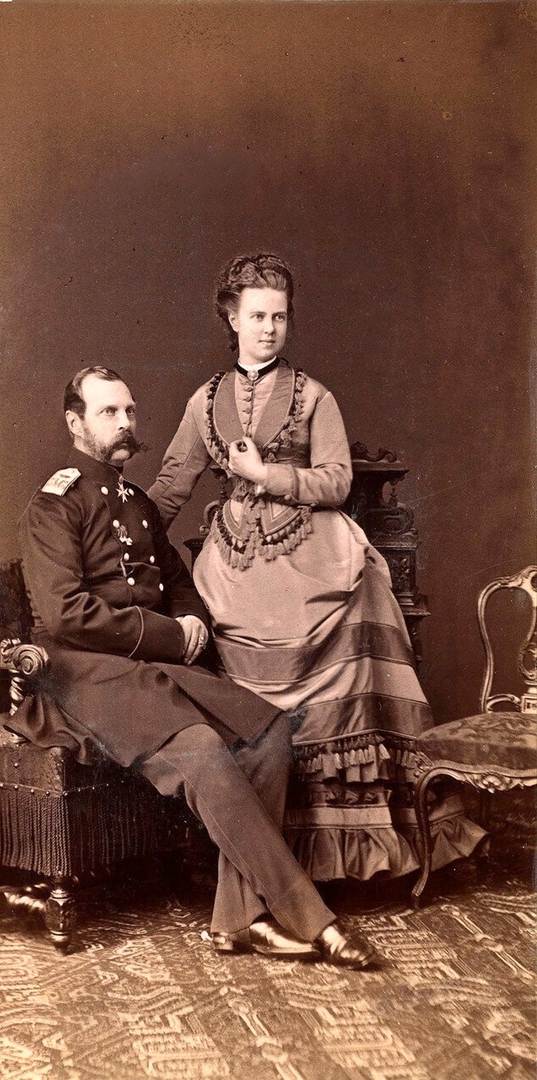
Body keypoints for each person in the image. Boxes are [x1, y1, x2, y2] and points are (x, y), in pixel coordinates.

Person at [9, 365, 378, 968]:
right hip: (81, 675)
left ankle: (237, 919)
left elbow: (177, 581)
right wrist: (168, 635)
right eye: (109, 413)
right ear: (76, 423)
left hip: (148, 670)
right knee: (202, 747)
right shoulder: (54, 505)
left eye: (129, 411)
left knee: (268, 731)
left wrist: (191, 621)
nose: (125, 423)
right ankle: (313, 919)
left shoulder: (138, 503)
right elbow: (65, 614)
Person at [148, 253, 485, 882]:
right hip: (235, 563)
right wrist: (126, 540)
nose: (269, 328)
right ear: (232, 318)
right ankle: (252, 847)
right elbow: (172, 484)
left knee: (359, 609)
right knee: (215, 644)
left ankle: (345, 846)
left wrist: (266, 475)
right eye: (257, 316)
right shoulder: (205, 400)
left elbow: (336, 480)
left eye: (279, 317)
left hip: (311, 550)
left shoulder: (314, 395)